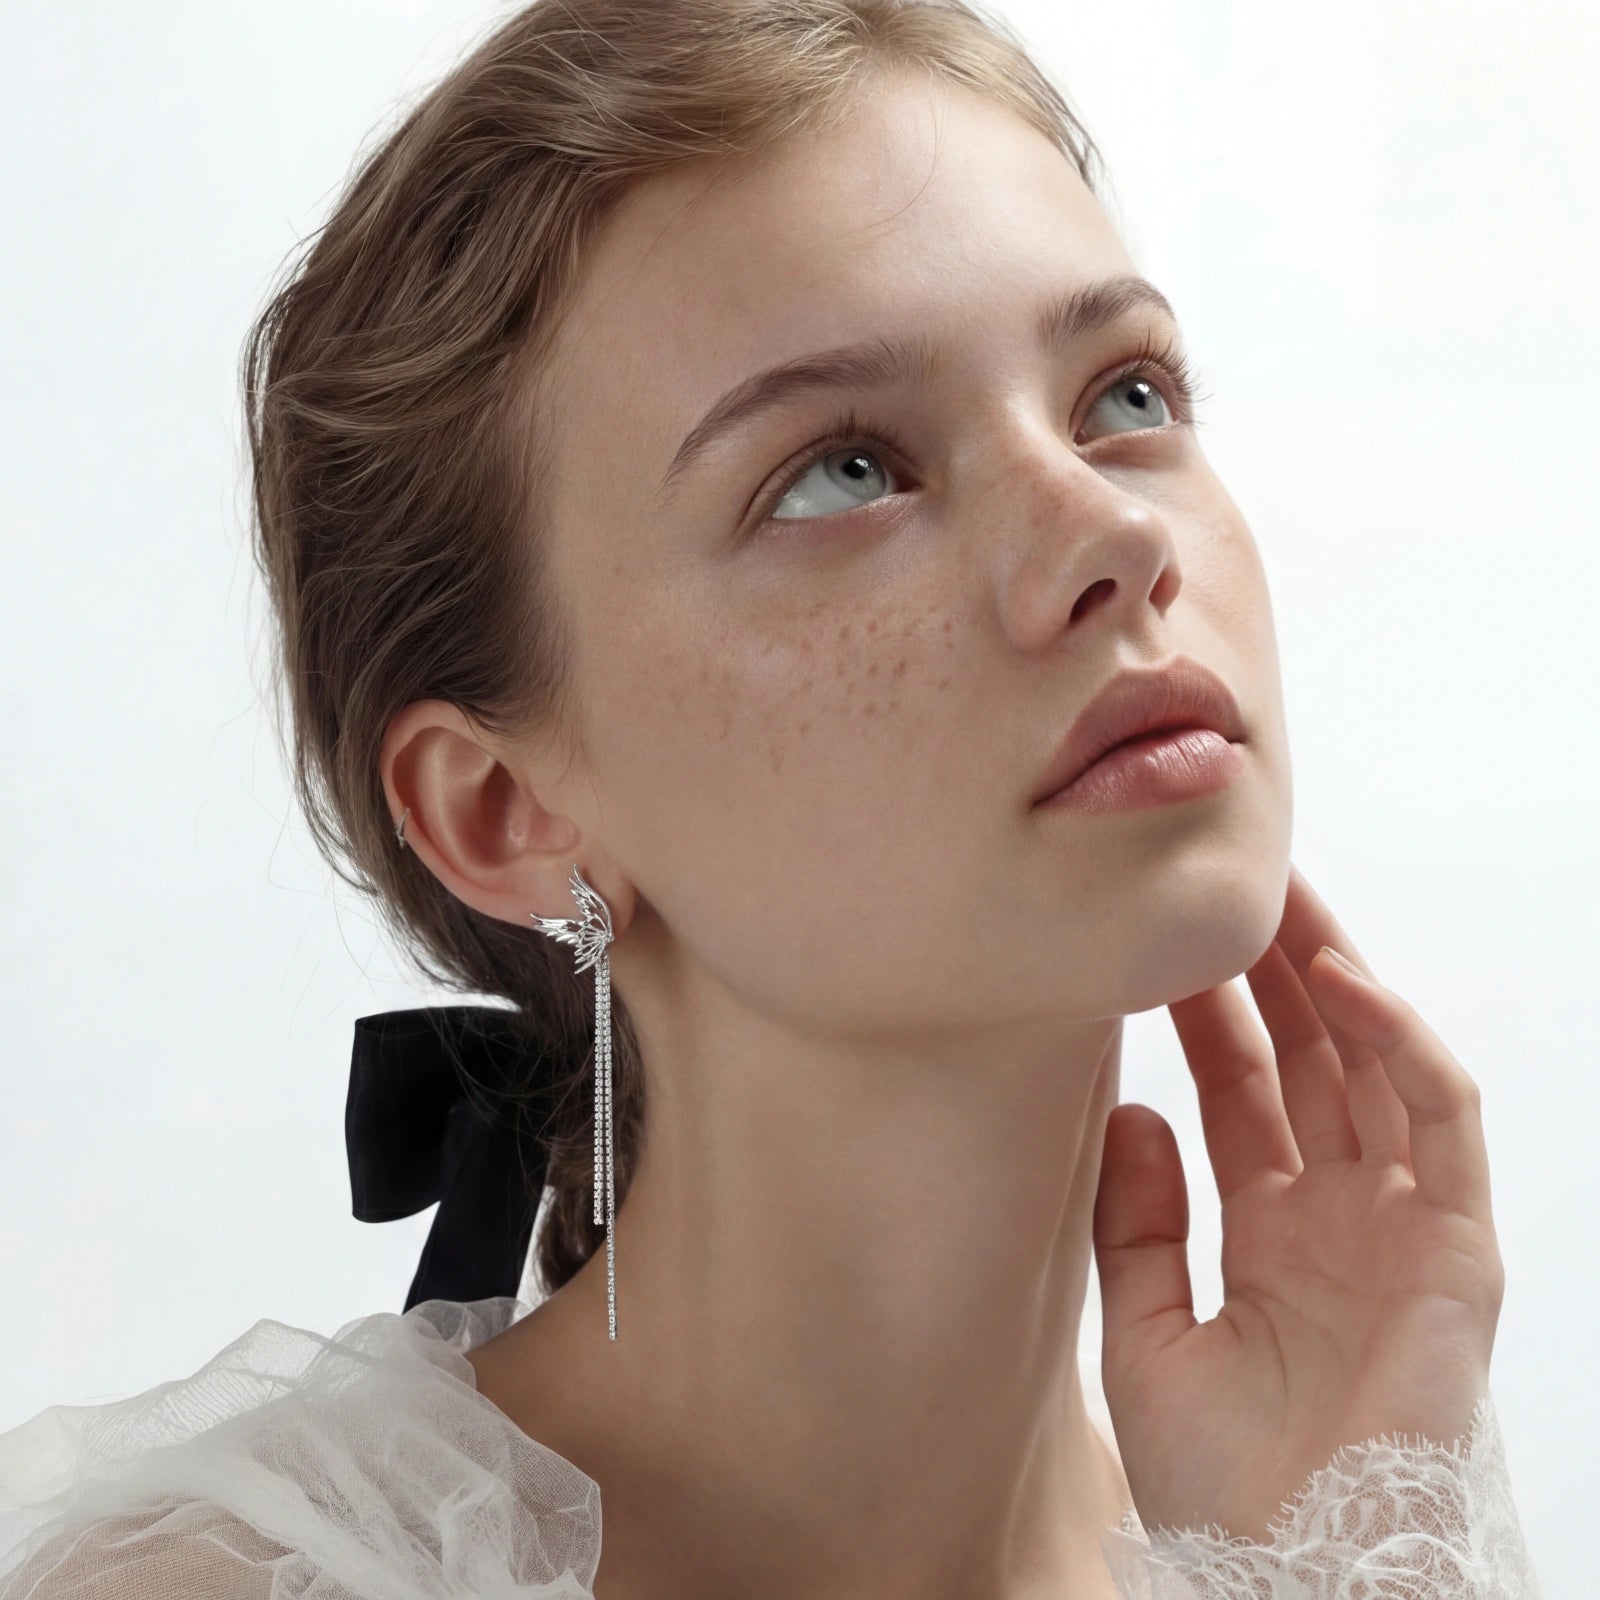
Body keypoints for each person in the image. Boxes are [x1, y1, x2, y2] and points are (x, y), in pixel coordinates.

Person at [0, 1, 1544, 1596]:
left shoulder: (1318, 1526)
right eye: (842, 471)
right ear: (503, 811)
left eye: (1126, 396)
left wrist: (1353, 1558)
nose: (1115, 534)